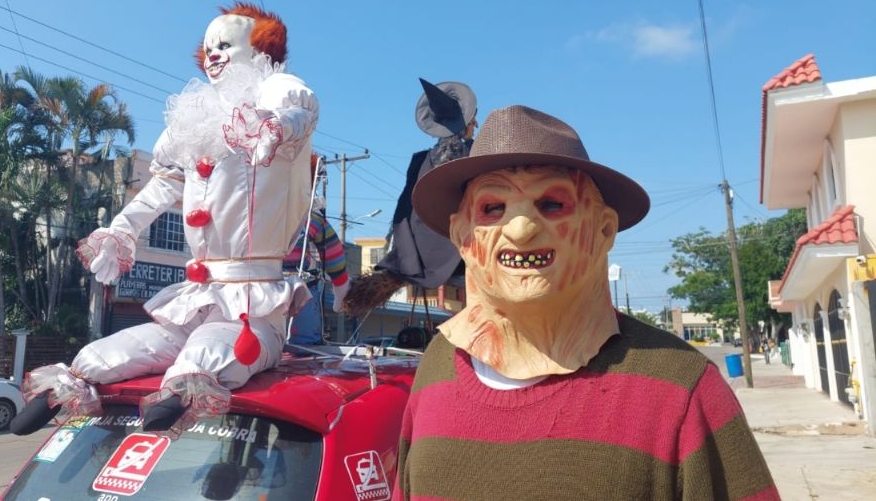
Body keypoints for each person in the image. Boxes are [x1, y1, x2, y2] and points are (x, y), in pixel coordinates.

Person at [394, 105, 778, 500]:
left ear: (604, 228)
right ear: (462, 235)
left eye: (551, 204)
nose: (521, 229)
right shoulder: (437, 365)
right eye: (493, 208)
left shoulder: (682, 387)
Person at [11, 2, 317, 435]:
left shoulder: (273, 93)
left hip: (254, 307)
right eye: (208, 47)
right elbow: (162, 186)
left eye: (225, 45)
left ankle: (173, 406)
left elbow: (298, 110)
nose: (212, 55)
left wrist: (272, 127)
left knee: (205, 357)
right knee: (115, 351)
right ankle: (72, 384)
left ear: (259, 49)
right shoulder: (196, 118)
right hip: (196, 296)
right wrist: (121, 230)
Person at [344, 79, 477, 317]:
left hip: (421, 258)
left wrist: (407, 260)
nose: (475, 124)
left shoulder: (419, 161)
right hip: (466, 258)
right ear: (468, 123)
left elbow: (401, 214)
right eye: (473, 120)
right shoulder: (478, 158)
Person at [283, 154, 351, 345]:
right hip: (299, 285)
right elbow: (333, 254)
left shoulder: (254, 216)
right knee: (303, 345)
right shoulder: (310, 218)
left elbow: (333, 252)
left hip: (266, 286)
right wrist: (341, 289)